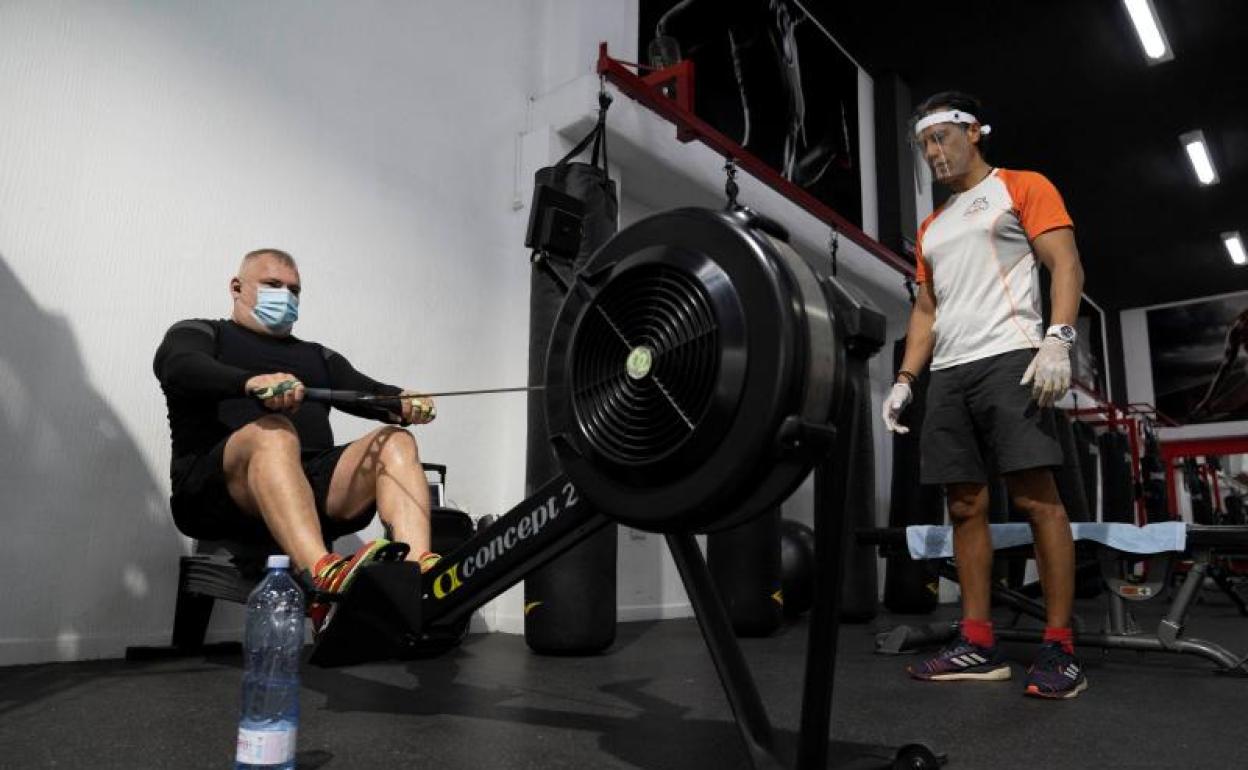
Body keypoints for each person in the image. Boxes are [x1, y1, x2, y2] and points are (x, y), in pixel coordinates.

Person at [881, 92, 1088, 699]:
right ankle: (977, 642)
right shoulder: (932, 225)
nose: (932, 152)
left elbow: (1066, 264)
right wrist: (904, 379)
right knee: (964, 506)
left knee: (1036, 499)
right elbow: (926, 308)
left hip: (1011, 359)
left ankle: (1060, 647)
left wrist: (1058, 339)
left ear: (974, 133)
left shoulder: (1022, 186)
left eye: (941, 137)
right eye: (923, 144)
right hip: (949, 370)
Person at [154, 248, 439, 634]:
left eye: (294, 290)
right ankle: (323, 581)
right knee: (274, 432)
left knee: (395, 442)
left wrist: (403, 400)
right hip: (218, 493)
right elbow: (177, 364)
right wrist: (250, 383)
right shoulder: (202, 332)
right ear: (237, 287)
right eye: (273, 285)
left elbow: (367, 393)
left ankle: (420, 579)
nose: (285, 296)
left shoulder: (316, 355)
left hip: (309, 489)